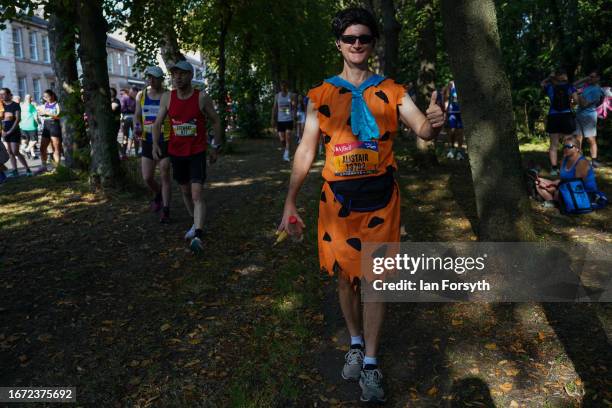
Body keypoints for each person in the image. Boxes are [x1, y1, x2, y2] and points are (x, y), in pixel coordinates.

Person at [277, 8, 444, 403]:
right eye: (349, 38)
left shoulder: (392, 90)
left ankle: (370, 362)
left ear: (372, 44)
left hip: (381, 200)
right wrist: (289, 201)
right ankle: (354, 341)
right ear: (338, 43)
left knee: (375, 280)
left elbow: (422, 128)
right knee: (344, 276)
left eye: (364, 38)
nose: (356, 44)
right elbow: (305, 149)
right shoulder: (320, 95)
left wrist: (434, 122)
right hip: (337, 202)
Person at [151, 60, 222, 253]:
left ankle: (198, 234)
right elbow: (157, 123)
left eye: (182, 74)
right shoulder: (167, 97)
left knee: (197, 193)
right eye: (174, 74)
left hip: (197, 152)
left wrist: (215, 146)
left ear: (190, 76)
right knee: (185, 191)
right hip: (176, 152)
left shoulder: (202, 98)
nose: (177, 77)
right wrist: (156, 144)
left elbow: (216, 121)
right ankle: (194, 222)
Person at [134, 66, 172, 223]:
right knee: (147, 177)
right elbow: (137, 114)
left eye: (154, 77)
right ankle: (158, 195)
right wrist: (137, 125)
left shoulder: (168, 95)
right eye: (149, 77)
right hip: (147, 139)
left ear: (161, 79)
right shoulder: (141, 95)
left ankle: (166, 209)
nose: (151, 80)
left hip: (166, 139)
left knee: (164, 173)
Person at [534, 135, 601, 208]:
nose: (566, 149)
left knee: (557, 192)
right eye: (564, 147)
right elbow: (562, 179)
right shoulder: (564, 160)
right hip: (567, 186)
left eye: (569, 146)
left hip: (583, 192)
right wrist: (551, 184)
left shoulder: (582, 163)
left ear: (577, 149)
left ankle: (554, 201)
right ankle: (554, 202)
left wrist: (554, 187)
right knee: (538, 182)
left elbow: (576, 185)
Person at [541, 68, 578, 176]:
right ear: (564, 76)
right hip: (566, 116)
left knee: (553, 144)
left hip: (553, 116)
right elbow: (576, 100)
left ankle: (553, 169)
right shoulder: (570, 87)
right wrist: (572, 103)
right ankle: (567, 166)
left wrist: (550, 77)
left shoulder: (550, 87)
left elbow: (542, 83)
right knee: (569, 142)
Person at [573, 70, 605, 168]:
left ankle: (594, 161)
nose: (590, 78)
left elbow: (584, 104)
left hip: (589, 117)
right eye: (589, 76)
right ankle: (578, 159)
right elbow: (573, 85)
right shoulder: (587, 86)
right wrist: (585, 79)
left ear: (598, 78)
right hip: (579, 115)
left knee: (591, 139)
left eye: (592, 77)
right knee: (578, 138)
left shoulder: (597, 90)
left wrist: (578, 95)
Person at [1, 88, 32, 177]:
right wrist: (3, 131)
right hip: (4, 131)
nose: (1, 96)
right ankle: (15, 170)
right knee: (10, 152)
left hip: (14, 131)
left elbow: (18, 119)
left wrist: (10, 130)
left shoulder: (15, 105)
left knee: (15, 151)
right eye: (0, 94)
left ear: (9, 94)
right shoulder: (1, 105)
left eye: (3, 94)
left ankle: (27, 169)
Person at [37, 89, 62, 173]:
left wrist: (47, 114)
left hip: (55, 125)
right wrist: (40, 113)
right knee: (42, 148)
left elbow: (59, 117)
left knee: (56, 148)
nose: (45, 98)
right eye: (44, 97)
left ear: (52, 96)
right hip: (46, 126)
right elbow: (42, 113)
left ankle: (57, 167)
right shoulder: (45, 104)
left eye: (47, 97)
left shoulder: (57, 104)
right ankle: (43, 166)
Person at [271, 80, 295, 162]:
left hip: (289, 119)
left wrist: (294, 116)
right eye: (282, 86)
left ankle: (287, 153)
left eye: (285, 86)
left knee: (288, 136)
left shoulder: (290, 95)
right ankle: (286, 149)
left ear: (286, 86)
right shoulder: (277, 96)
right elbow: (274, 108)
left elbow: (293, 107)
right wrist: (272, 118)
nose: (283, 87)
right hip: (280, 120)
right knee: (282, 139)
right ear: (280, 87)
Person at [444, 79, 465, 160]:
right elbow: (446, 97)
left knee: (460, 132)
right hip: (452, 112)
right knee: (452, 131)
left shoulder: (464, 84)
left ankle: (459, 151)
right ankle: (452, 149)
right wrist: (446, 110)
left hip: (461, 113)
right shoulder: (451, 84)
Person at [19, 94, 39, 160]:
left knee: (25, 140)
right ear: (31, 99)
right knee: (34, 140)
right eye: (31, 98)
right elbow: (36, 117)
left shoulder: (21, 106)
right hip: (31, 126)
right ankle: (26, 150)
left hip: (22, 126)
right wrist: (39, 123)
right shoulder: (31, 106)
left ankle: (32, 154)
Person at [120, 87, 137, 159]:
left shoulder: (135, 99)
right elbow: (123, 109)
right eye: (134, 92)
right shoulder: (126, 98)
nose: (135, 94)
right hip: (129, 118)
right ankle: (125, 153)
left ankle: (134, 153)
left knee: (134, 136)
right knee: (126, 136)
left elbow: (123, 108)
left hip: (131, 118)